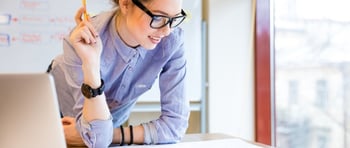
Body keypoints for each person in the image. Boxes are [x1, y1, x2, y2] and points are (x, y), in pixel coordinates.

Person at [48, 0, 189, 147]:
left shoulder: (172, 41)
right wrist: (91, 64)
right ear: (126, 4)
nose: (167, 31)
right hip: (57, 121)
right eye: (158, 17)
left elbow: (175, 127)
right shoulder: (83, 40)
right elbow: (96, 139)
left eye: (175, 18)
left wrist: (112, 134)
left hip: (102, 131)